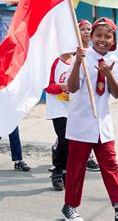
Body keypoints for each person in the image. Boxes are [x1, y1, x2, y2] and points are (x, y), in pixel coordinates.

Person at [61, 17, 118, 221]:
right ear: (92, 36)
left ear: (113, 39)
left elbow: (116, 93)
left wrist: (108, 75)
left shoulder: (113, 61)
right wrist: (78, 61)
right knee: (76, 168)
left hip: (103, 125)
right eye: (98, 35)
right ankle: (70, 207)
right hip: (81, 123)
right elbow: (71, 88)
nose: (102, 40)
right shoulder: (81, 56)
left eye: (108, 36)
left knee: (111, 166)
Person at [45, 52, 73, 191]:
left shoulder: (78, 61)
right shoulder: (55, 62)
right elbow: (46, 85)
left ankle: (67, 171)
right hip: (58, 109)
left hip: (74, 109)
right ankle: (58, 170)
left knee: (71, 142)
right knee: (64, 138)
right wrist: (62, 87)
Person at [78, 19, 100, 172]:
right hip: (77, 98)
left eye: (88, 29)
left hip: (93, 97)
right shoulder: (76, 53)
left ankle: (89, 157)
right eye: (83, 29)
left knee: (92, 124)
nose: (86, 32)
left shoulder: (95, 53)